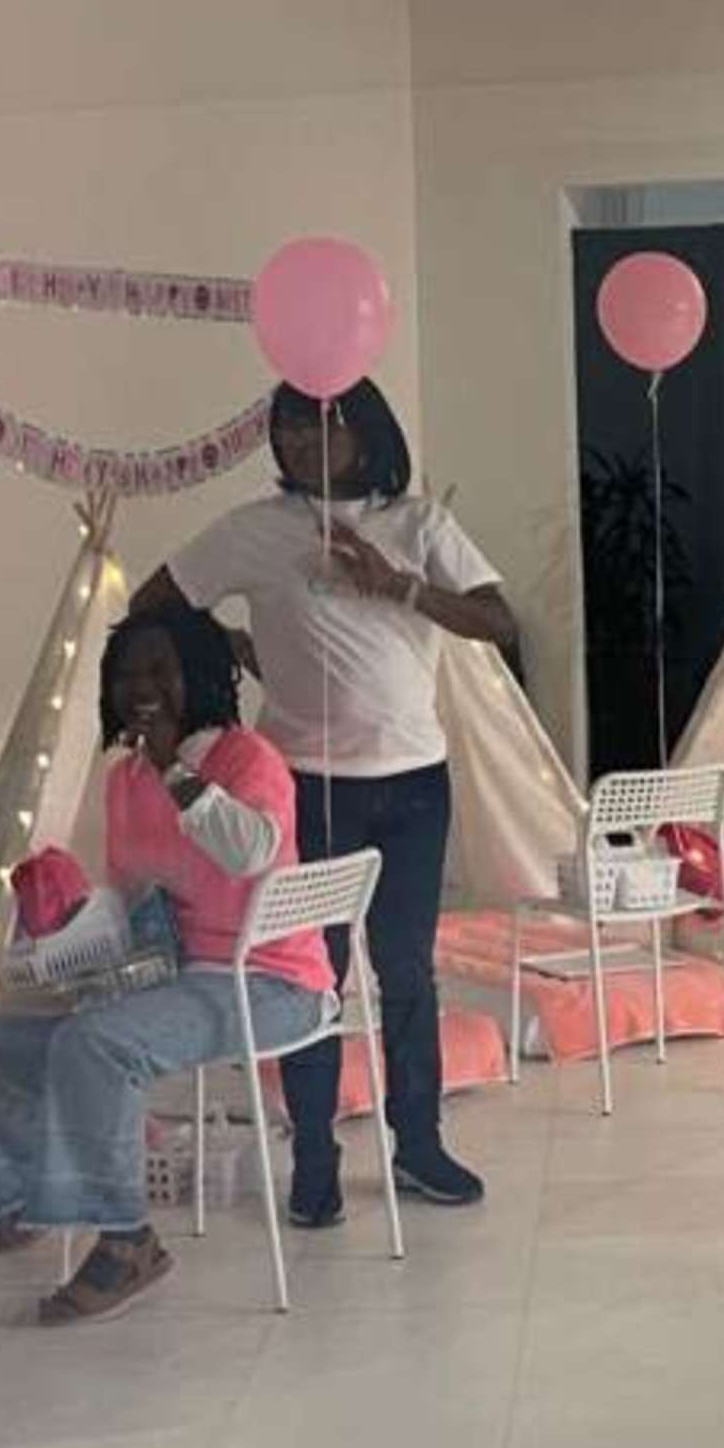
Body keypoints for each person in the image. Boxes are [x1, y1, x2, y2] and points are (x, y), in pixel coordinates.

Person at [136, 379, 507, 1225]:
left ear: (364, 429)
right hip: (302, 784)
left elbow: (499, 620)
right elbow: (154, 602)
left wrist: (399, 586)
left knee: (407, 969)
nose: (301, 441)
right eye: (288, 428)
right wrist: (228, 654)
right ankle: (314, 1159)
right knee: (312, 977)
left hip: (414, 784)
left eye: (319, 424)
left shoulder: (418, 524)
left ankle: (418, 1144)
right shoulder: (254, 531)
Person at [0, 603, 332, 1322]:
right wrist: (68, 947)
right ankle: (36, 1189)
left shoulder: (247, 759)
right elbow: (131, 898)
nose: (142, 687)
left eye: (161, 669)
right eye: (127, 673)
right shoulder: (123, 778)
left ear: (202, 676)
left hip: (269, 981)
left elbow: (249, 853)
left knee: (98, 1044)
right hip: (171, 976)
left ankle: (127, 1240)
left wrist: (174, 772)